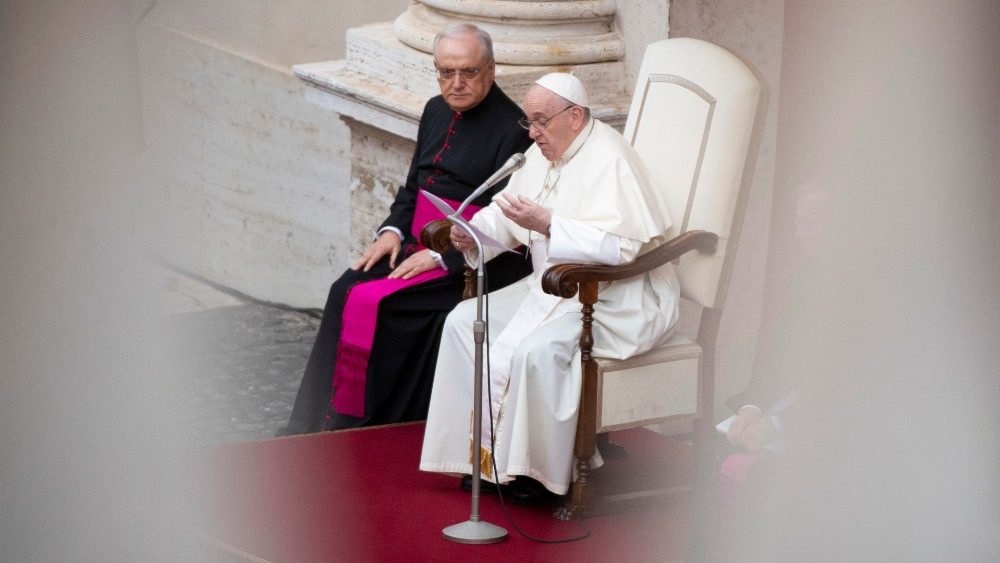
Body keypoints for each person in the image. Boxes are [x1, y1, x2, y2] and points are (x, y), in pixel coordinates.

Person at [419, 73, 681, 498]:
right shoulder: (543, 152)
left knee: (536, 351)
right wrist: (473, 233)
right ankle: (482, 458)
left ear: (574, 117)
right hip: (549, 288)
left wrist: (549, 224)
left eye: (540, 121)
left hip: (611, 296)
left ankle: (536, 473)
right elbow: (507, 211)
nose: (532, 133)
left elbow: (623, 249)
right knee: (463, 321)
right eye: (528, 122)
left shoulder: (610, 159)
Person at [277, 23, 532, 435]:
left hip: (466, 262)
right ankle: (313, 426)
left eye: (468, 72)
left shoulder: (515, 131)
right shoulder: (434, 110)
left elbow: (504, 221)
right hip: (413, 244)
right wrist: (391, 232)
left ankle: (376, 430)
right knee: (343, 289)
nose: (456, 83)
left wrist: (443, 257)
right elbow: (414, 186)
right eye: (446, 72)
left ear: (490, 70)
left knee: (386, 307)